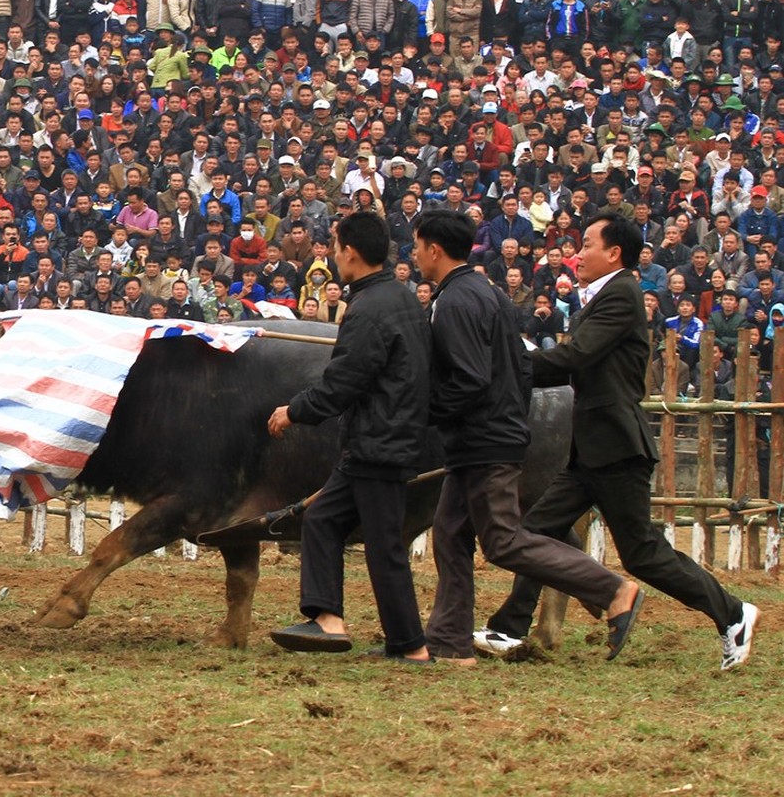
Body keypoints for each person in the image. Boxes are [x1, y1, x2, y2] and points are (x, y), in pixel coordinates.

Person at [474, 212, 759, 671]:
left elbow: (576, 355)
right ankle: (508, 628)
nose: (577, 254)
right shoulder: (605, 298)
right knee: (535, 532)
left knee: (642, 553)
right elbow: (574, 362)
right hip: (591, 449)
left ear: (614, 253)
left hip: (617, 447)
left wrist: (512, 365)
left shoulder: (621, 295)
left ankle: (733, 614)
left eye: (586, 244)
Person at [415, 210, 642, 665]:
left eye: (417, 246)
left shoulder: (456, 301)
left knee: (502, 540)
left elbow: (471, 379)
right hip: (482, 435)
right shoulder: (485, 292)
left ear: (434, 249)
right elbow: (512, 364)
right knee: (451, 533)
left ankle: (614, 589)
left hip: (484, 436)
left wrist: (421, 411)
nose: (415, 254)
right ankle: (450, 641)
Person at [266, 212, 433, 663]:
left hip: (378, 443)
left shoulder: (368, 309)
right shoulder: (399, 298)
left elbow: (343, 382)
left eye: (336, 246)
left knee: (384, 547)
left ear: (351, 253)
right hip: (382, 440)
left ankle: (410, 645)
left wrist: (293, 411)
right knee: (323, 521)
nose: (334, 254)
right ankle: (328, 619)